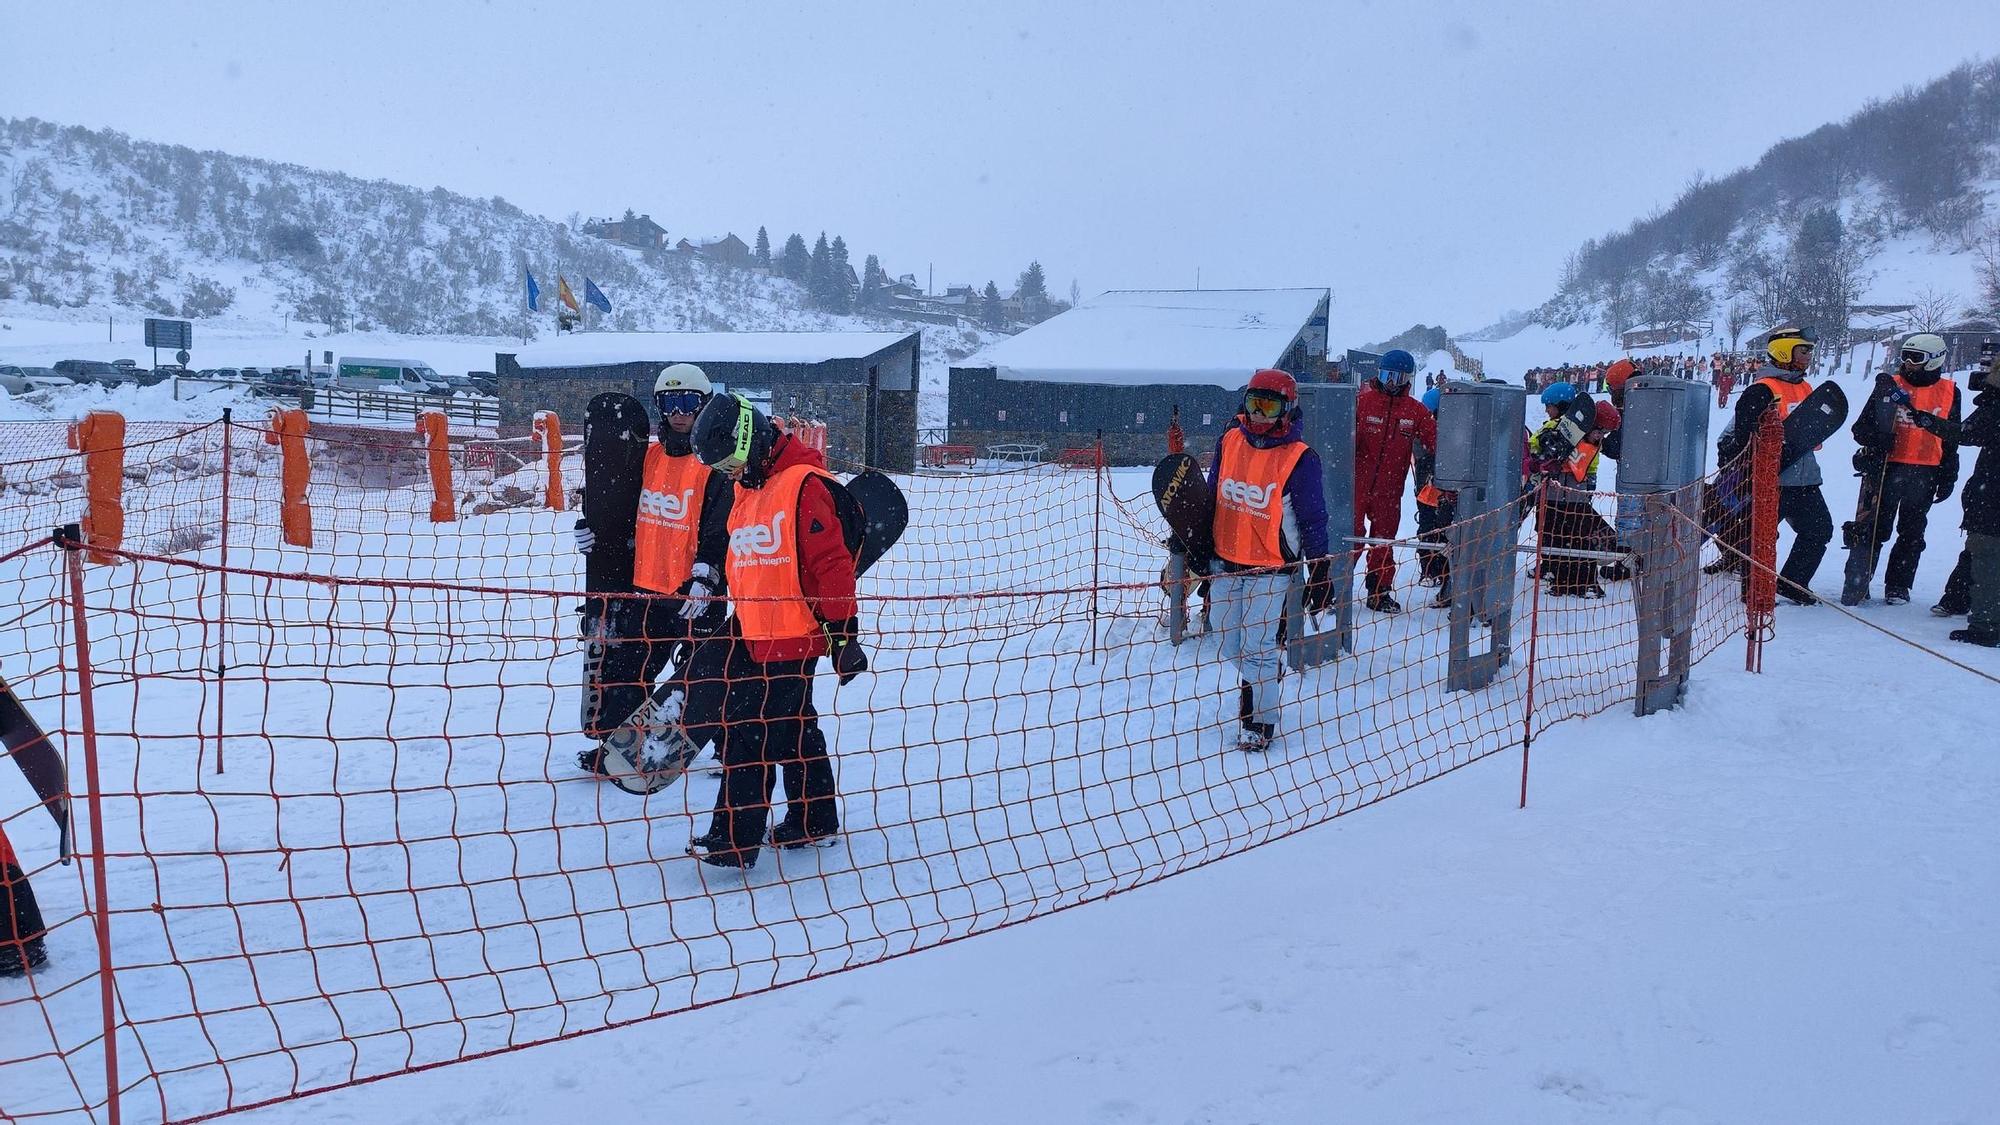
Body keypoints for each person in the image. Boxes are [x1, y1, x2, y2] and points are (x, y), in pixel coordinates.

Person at [685, 393, 866, 868]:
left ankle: (734, 839)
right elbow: (748, 562)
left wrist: (843, 636)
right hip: (752, 630)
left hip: (793, 634)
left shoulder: (804, 485)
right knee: (795, 730)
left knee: (750, 731)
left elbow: (832, 566)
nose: (727, 471)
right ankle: (814, 819)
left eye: (729, 460)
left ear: (752, 438)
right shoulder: (749, 488)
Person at [573, 364, 735, 776]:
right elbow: (617, 505)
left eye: (689, 403)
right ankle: (618, 748)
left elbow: (723, 527)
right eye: (670, 403)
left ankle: (729, 749)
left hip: (694, 594)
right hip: (644, 588)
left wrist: (707, 576)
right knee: (629, 673)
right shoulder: (646, 457)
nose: (679, 413)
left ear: (704, 405)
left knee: (705, 674)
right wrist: (592, 529)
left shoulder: (716, 466)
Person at [1205, 368, 1332, 751]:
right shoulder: (1229, 441)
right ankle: (1262, 678)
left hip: (1270, 568)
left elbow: (1313, 517)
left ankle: (1258, 720)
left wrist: (1320, 567)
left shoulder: (1299, 458)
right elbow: (1213, 494)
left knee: (1258, 647)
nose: (1259, 414)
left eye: (1269, 405)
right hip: (1225, 561)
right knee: (1229, 643)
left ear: (1287, 409)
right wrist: (1196, 541)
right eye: (1253, 403)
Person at [1840, 333, 1961, 606]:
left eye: (1915, 358)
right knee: (1876, 528)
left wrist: (1948, 474)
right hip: (1887, 469)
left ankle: (1898, 585)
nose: (1908, 363)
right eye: (1904, 356)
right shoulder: (1888, 386)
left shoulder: (1951, 391)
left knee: (1912, 532)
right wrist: (1875, 439)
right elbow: (1861, 428)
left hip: (1926, 472)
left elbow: (1953, 438)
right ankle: (1860, 580)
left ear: (1934, 360)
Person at [1716, 328, 1832, 605]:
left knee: (1819, 530)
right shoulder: (1762, 390)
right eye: (1803, 351)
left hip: (1804, 477)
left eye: (1809, 351)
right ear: (1785, 351)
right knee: (1760, 537)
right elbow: (1742, 437)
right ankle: (1754, 588)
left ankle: (1794, 582)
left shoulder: (1805, 388)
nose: (1808, 357)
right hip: (1770, 480)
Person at [1904, 346, 1999, 645]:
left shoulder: (1995, 408)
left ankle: (1985, 626)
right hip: (1989, 493)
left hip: (1993, 497)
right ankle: (1957, 599)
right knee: (1979, 553)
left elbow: (1967, 433)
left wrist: (1928, 421)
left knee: (1986, 556)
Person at [1353, 348, 1437, 612]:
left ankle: (1379, 591)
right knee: (1349, 539)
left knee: (1383, 542)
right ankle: (1329, 589)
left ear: (1407, 379)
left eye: (1397, 377)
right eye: (1387, 375)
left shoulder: (1415, 411)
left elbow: (1437, 443)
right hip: (1357, 486)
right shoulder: (1361, 403)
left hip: (1389, 491)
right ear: (1378, 374)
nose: (1391, 382)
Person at [1528, 381, 1617, 597]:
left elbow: (1532, 446)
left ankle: (1565, 578)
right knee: (1572, 536)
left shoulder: (1559, 428)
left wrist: (1542, 448)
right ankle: (1567, 576)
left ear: (1560, 405)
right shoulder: (1586, 434)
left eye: (1549, 406)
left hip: (1556, 494)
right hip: (1576, 493)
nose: (1547, 411)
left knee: (1556, 535)